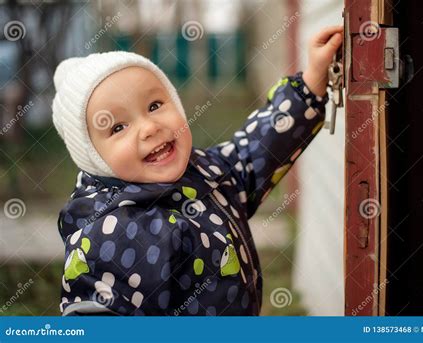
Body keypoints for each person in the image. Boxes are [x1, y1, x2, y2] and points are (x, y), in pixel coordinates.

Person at [52, 26, 343, 315]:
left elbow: (252, 154)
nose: (149, 127)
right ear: (93, 157)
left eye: (154, 105)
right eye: (117, 127)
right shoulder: (110, 233)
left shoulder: (203, 172)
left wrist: (311, 82)